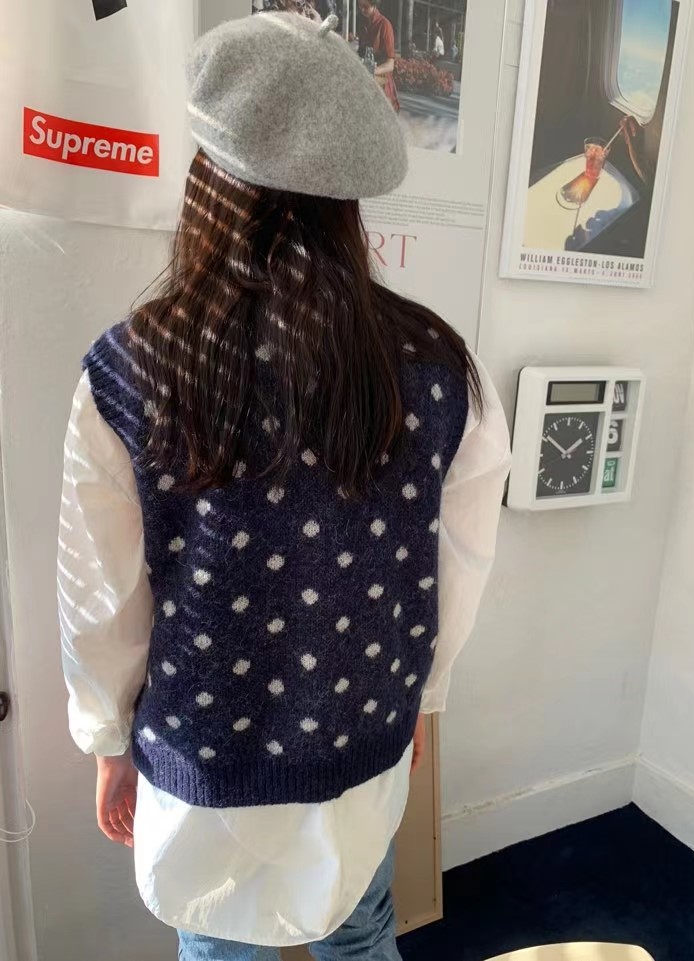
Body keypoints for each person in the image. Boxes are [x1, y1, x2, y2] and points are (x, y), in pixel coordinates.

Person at [58, 11, 510, 961]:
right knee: (363, 929)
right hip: (362, 736)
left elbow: (101, 595)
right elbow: (461, 566)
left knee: (218, 945)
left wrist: (107, 738)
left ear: (207, 178)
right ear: (349, 199)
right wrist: (423, 699)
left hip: (202, 756)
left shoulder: (132, 367)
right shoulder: (439, 368)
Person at [357, 0, 400, 113]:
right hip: (367, 83)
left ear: (374, 4)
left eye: (365, 6)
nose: (362, 10)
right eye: (360, 6)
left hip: (382, 85)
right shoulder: (363, 24)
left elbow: (390, 64)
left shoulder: (384, 25)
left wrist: (371, 71)